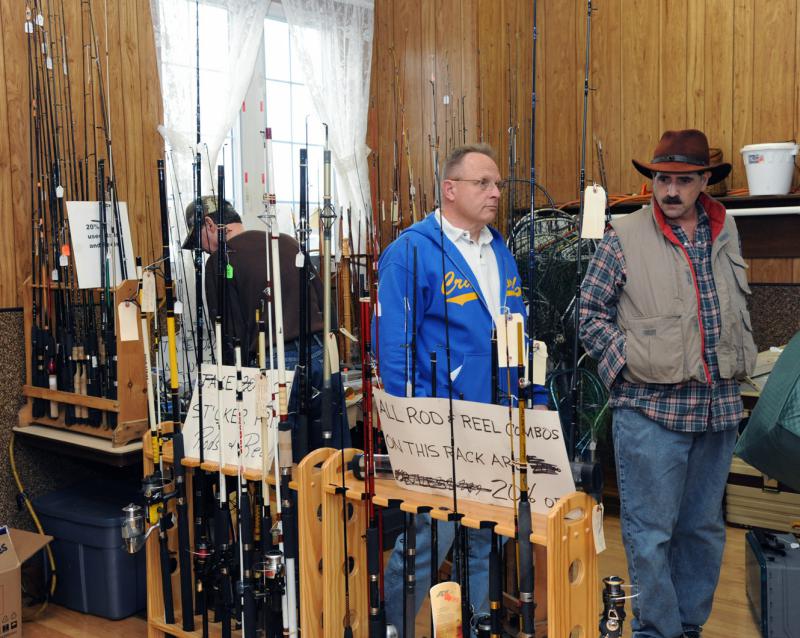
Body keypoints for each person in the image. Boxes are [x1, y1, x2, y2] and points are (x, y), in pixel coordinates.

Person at [579, 129, 757, 638]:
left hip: (717, 409)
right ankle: (656, 631)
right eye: (662, 179)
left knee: (701, 531)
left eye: (683, 179)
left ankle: (689, 627)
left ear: (705, 181)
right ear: (651, 182)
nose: (671, 190)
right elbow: (590, 313)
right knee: (650, 534)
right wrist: (627, 362)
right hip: (650, 413)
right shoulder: (624, 235)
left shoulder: (727, 230)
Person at [375, 143, 548, 633]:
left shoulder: (500, 253)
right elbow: (395, 353)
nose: (496, 193)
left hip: (498, 428)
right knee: (426, 546)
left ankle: (477, 627)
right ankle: (397, 629)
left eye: (497, 185)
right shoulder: (409, 252)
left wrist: (530, 404)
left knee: (485, 544)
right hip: (438, 434)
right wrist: (412, 431)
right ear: (450, 189)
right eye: (483, 184)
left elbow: (518, 334)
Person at [183, 195, 350, 455]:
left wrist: (233, 390)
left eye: (199, 241)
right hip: (321, 355)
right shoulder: (286, 241)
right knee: (332, 457)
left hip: (275, 365)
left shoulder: (218, 263)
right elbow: (326, 303)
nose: (203, 250)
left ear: (210, 224)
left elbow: (229, 332)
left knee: (280, 462)